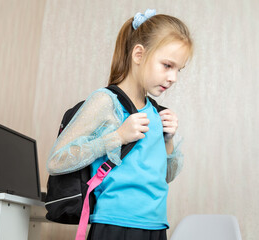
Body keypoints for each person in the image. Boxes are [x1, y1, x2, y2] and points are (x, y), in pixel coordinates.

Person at [46, 8, 193, 240]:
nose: (173, 77)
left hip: (156, 227)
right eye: (167, 65)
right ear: (138, 54)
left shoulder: (156, 113)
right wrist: (118, 137)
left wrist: (168, 140)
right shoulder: (105, 102)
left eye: (178, 70)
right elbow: (56, 161)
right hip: (114, 226)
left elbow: (166, 176)